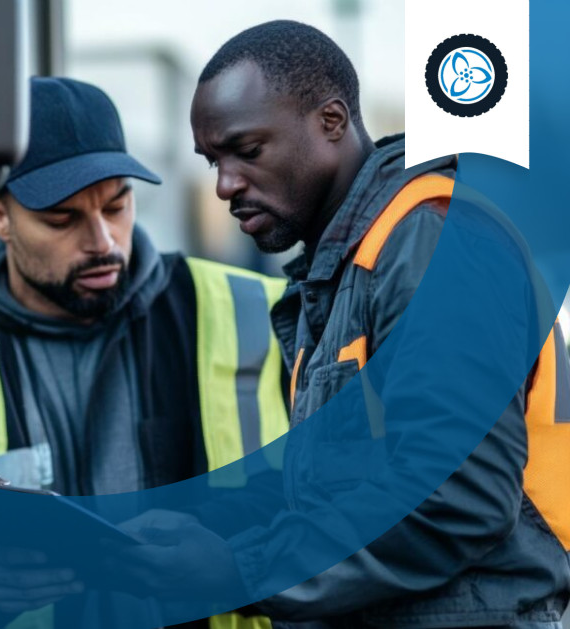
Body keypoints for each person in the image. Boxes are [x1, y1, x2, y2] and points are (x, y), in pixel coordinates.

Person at [112, 20, 570, 628]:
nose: (225, 184)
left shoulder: (430, 242)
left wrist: (240, 570)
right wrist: (205, 526)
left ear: (331, 121)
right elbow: (339, 487)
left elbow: (457, 500)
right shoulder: (347, 268)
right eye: (213, 160)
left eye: (247, 152)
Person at [0, 76, 288, 629]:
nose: (102, 242)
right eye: (62, 220)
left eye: (117, 206)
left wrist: (225, 550)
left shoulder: (261, 312)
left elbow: (332, 490)